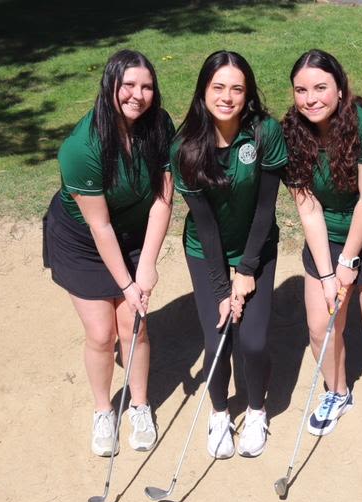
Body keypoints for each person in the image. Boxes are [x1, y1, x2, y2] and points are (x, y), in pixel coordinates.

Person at [282, 49, 362, 456]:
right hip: (327, 238)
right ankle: (337, 392)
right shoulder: (291, 133)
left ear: (339, 89)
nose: (311, 98)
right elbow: (308, 208)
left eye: (321, 87)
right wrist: (326, 273)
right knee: (321, 325)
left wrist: (348, 262)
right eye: (301, 90)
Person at [43, 50, 174, 457]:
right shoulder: (81, 148)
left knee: (134, 325)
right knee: (102, 334)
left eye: (147, 86)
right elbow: (99, 227)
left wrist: (147, 265)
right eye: (129, 85)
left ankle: (139, 405)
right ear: (110, 86)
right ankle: (104, 411)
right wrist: (126, 283)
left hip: (134, 233)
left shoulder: (160, 126)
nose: (139, 94)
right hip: (83, 243)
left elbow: (162, 199)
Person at [170, 51, 287, 459]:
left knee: (252, 342)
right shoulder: (184, 146)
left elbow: (265, 208)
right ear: (203, 91)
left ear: (248, 93)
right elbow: (204, 223)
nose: (227, 96)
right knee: (217, 335)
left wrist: (248, 269)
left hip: (257, 245)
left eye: (237, 88)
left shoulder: (264, 131)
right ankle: (219, 413)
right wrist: (223, 286)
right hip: (206, 251)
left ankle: (256, 410)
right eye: (218, 87)